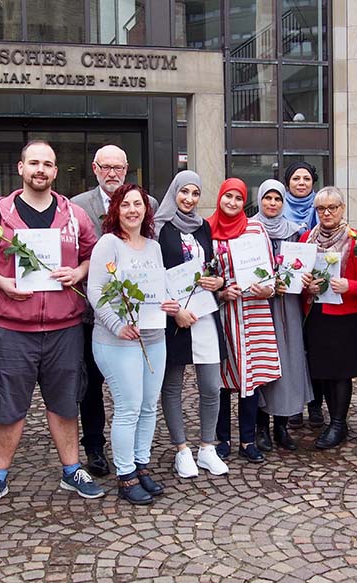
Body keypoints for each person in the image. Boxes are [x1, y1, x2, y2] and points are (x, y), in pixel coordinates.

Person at [0, 140, 104, 510]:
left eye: (48, 164)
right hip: (14, 329)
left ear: (56, 171)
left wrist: (79, 270)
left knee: (65, 403)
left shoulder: (74, 216)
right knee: (7, 407)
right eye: (34, 163)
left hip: (64, 328)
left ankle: (72, 470)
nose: (40, 169)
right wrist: (1, 282)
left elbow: (94, 254)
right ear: (22, 168)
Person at [71, 144, 159, 478]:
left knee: (138, 398)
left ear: (127, 169)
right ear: (95, 168)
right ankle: (94, 447)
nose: (112, 173)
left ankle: (136, 461)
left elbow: (153, 269)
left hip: (142, 325)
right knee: (92, 388)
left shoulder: (147, 204)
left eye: (118, 167)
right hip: (94, 318)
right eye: (106, 167)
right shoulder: (78, 205)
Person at [88, 184, 178, 504]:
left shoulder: (153, 247)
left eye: (137, 204)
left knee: (148, 406)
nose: (132, 210)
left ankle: (141, 465)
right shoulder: (108, 244)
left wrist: (171, 303)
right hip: (117, 340)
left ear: (146, 209)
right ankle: (125, 476)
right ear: (116, 210)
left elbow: (162, 287)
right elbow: (96, 291)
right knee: (128, 408)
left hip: (154, 337)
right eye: (125, 204)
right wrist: (117, 325)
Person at [153, 171, 230, 478]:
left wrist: (218, 281)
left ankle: (207, 447)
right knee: (172, 386)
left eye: (195, 193)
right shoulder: (160, 228)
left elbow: (207, 266)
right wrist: (174, 312)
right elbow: (154, 275)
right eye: (183, 192)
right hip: (175, 319)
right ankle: (181, 449)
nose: (189, 198)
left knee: (212, 386)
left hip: (204, 314)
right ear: (174, 192)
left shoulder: (203, 227)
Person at [210, 178, 281, 463]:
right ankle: (222, 439)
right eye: (228, 196)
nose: (232, 203)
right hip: (224, 313)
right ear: (219, 198)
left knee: (250, 377)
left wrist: (270, 287)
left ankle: (248, 439)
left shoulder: (255, 228)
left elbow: (269, 269)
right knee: (222, 378)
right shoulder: (208, 229)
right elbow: (202, 273)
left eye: (238, 198)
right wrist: (221, 291)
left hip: (253, 312)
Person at [300, 186, 357, 449]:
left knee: (341, 372)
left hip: (345, 314)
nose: (327, 213)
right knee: (324, 370)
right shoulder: (307, 238)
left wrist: (349, 286)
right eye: (321, 208)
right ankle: (333, 418)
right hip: (316, 313)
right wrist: (306, 285)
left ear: (342, 209)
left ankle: (339, 423)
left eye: (332, 207)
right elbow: (299, 277)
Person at [251, 179, 314, 452]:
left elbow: (304, 264)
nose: (272, 204)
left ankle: (282, 425)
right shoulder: (250, 230)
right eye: (268, 198)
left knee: (288, 360)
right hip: (260, 305)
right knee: (264, 360)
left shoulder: (295, 231)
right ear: (260, 200)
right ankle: (261, 425)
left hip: (288, 305)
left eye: (277, 199)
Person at [281, 161, 321, 429]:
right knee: (292, 348)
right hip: (285, 293)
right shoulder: (277, 208)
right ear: (288, 183)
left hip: (314, 291)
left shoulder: (322, 209)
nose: (301, 183)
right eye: (296, 178)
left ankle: (316, 404)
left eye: (306, 179)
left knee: (314, 348)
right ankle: (293, 405)